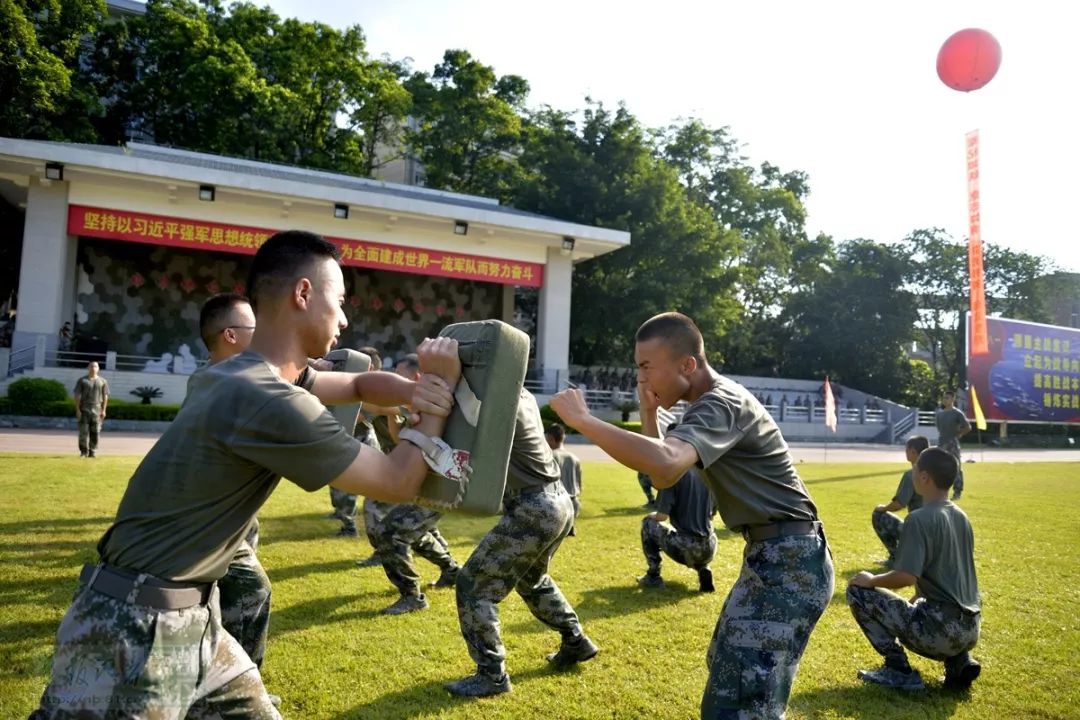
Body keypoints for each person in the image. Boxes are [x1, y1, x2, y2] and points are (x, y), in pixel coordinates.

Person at [30, 230, 462, 718]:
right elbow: (397, 482)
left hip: (194, 616)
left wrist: (413, 390)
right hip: (134, 627)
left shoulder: (240, 372)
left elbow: (361, 383)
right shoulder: (269, 400)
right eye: (339, 302)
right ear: (303, 294)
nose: (344, 318)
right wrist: (442, 387)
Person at [551, 312, 833, 719]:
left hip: (789, 562)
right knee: (730, 674)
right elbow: (665, 480)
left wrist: (582, 420)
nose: (642, 379)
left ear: (688, 365)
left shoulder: (721, 403)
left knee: (739, 702)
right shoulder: (706, 406)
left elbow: (664, 464)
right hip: (775, 556)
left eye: (647, 367)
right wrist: (650, 417)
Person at [446, 388, 599, 698]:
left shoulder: (495, 397)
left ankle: (492, 676)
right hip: (556, 500)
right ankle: (575, 641)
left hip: (535, 505)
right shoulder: (521, 393)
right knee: (532, 579)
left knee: (473, 585)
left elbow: (464, 427)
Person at [193, 292, 277, 700]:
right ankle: (241, 688)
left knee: (225, 596)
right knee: (253, 590)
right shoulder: (218, 382)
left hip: (235, 513)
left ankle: (222, 677)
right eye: (253, 330)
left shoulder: (218, 378)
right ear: (230, 335)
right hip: (213, 519)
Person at [847, 447, 982, 692]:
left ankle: (898, 670)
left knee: (857, 591)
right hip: (971, 629)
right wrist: (920, 595)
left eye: (915, 467)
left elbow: (905, 576)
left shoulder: (918, 519)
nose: (912, 471)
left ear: (924, 477)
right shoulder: (961, 517)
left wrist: (871, 579)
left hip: (940, 631)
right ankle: (960, 663)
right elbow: (949, 571)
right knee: (920, 606)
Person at [368, 352, 461, 615]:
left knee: (390, 533)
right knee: (414, 533)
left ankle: (412, 596)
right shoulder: (412, 403)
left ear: (417, 376)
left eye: (401, 374)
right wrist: (392, 414)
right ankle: (452, 570)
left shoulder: (433, 400)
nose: (395, 379)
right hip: (426, 481)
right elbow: (401, 441)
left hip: (443, 482)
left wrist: (392, 410)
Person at [637, 422, 717, 593]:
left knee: (648, 524)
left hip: (686, 547)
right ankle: (703, 568)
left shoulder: (672, 474)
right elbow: (712, 514)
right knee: (695, 533)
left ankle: (653, 576)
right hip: (709, 546)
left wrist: (652, 515)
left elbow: (661, 517)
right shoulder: (707, 472)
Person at [872, 436, 930, 566]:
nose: (906, 452)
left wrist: (883, 508)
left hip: (918, 533)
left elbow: (899, 504)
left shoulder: (912, 475)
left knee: (878, 515)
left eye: (907, 450)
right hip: (936, 534)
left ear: (913, 451)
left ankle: (896, 558)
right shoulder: (936, 472)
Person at [545, 423, 583, 536]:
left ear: (550, 438)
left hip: (557, 504)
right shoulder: (574, 458)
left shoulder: (550, 456)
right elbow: (579, 484)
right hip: (573, 503)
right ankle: (570, 526)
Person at [935, 391, 972, 500]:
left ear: (953, 399)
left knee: (956, 467)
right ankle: (940, 492)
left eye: (947, 398)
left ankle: (957, 492)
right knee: (939, 468)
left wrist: (959, 434)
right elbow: (939, 429)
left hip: (952, 444)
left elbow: (968, 427)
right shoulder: (940, 414)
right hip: (941, 443)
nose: (945, 400)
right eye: (944, 398)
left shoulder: (957, 413)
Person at [73, 361, 109, 458]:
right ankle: (83, 452)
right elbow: (77, 395)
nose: (93, 368)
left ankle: (92, 451)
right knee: (83, 432)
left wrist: (104, 410)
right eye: (91, 366)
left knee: (96, 432)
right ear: (88, 368)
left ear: (98, 369)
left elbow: (105, 396)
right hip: (84, 408)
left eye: (95, 366)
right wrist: (77, 409)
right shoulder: (82, 381)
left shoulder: (103, 381)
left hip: (97, 409)